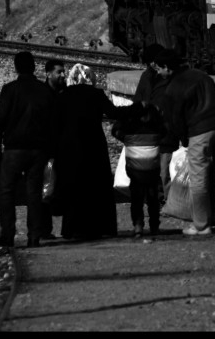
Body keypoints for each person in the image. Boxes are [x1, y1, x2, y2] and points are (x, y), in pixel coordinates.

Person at [153, 49, 215, 236]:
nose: (158, 73)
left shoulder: (172, 89)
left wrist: (184, 140)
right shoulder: (202, 76)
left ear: (167, 67)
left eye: (158, 69)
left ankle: (201, 225)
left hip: (199, 132)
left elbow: (175, 122)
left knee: (199, 178)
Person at [54, 63, 137, 240]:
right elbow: (114, 112)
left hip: (69, 146)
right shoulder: (96, 94)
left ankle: (72, 228)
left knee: (73, 186)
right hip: (93, 144)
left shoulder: (63, 96)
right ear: (90, 77)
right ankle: (100, 227)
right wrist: (138, 107)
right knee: (96, 186)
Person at [0, 50, 58, 249]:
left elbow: (0, 120)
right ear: (34, 67)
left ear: (16, 67)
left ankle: (8, 234)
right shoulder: (44, 90)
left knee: (6, 191)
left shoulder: (9, 89)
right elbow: (52, 120)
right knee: (34, 193)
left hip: (14, 148)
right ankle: (34, 236)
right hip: (38, 149)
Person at [111, 100, 165, 237]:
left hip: (134, 168)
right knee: (153, 196)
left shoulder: (129, 126)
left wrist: (127, 140)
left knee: (136, 196)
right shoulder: (155, 123)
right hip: (152, 166)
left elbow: (115, 131)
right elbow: (165, 132)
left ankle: (138, 225)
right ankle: (154, 226)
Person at [133, 43, 177, 199]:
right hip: (149, 131)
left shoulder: (169, 79)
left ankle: (169, 200)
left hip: (164, 132)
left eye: (154, 61)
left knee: (165, 169)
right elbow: (138, 100)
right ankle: (155, 197)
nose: (152, 64)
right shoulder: (146, 76)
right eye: (150, 62)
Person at [39, 58, 67, 240]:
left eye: (64, 72)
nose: (63, 75)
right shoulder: (43, 95)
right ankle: (44, 229)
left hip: (62, 148)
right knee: (46, 190)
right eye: (59, 72)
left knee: (54, 189)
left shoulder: (63, 92)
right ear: (48, 74)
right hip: (47, 149)